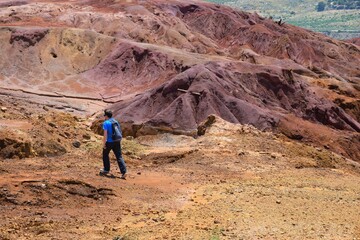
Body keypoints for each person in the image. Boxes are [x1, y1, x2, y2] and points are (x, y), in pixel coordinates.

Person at [100, 109, 127, 179]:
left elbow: (105, 134)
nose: (104, 116)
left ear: (106, 116)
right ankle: (124, 172)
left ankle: (106, 169)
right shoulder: (115, 121)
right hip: (117, 141)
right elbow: (119, 131)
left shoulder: (106, 123)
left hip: (109, 141)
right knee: (119, 156)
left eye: (104, 115)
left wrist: (104, 143)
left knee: (105, 154)